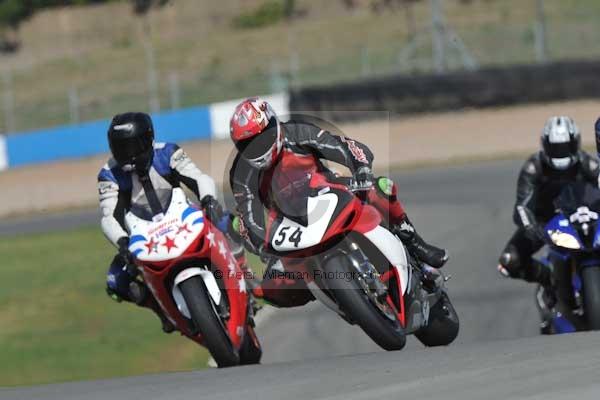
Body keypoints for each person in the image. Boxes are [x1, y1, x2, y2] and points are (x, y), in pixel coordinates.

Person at [228, 97, 448, 307]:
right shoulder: (241, 174)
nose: (258, 148)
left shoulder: (296, 132)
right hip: (289, 222)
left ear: (274, 126)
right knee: (270, 289)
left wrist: (360, 169)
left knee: (379, 187)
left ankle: (415, 244)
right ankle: (330, 291)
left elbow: (344, 145)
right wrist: (261, 245)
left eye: (262, 138)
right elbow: (248, 218)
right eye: (249, 145)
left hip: (327, 189)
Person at [98, 112, 229, 332]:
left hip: (183, 217)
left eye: (134, 146)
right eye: (122, 148)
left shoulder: (168, 152)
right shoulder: (108, 174)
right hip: (144, 234)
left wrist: (208, 200)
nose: (129, 155)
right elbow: (109, 216)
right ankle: (162, 311)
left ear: (149, 138)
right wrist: (122, 243)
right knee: (115, 281)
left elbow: (199, 178)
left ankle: (245, 279)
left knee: (229, 223)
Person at [497, 116, 600, 331]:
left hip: (581, 216)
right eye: (556, 147)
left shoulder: (588, 163)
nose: (561, 152)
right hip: (543, 222)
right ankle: (549, 279)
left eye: (566, 146)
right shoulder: (534, 167)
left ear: (576, 143)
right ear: (545, 145)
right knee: (509, 261)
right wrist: (532, 228)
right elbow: (522, 206)